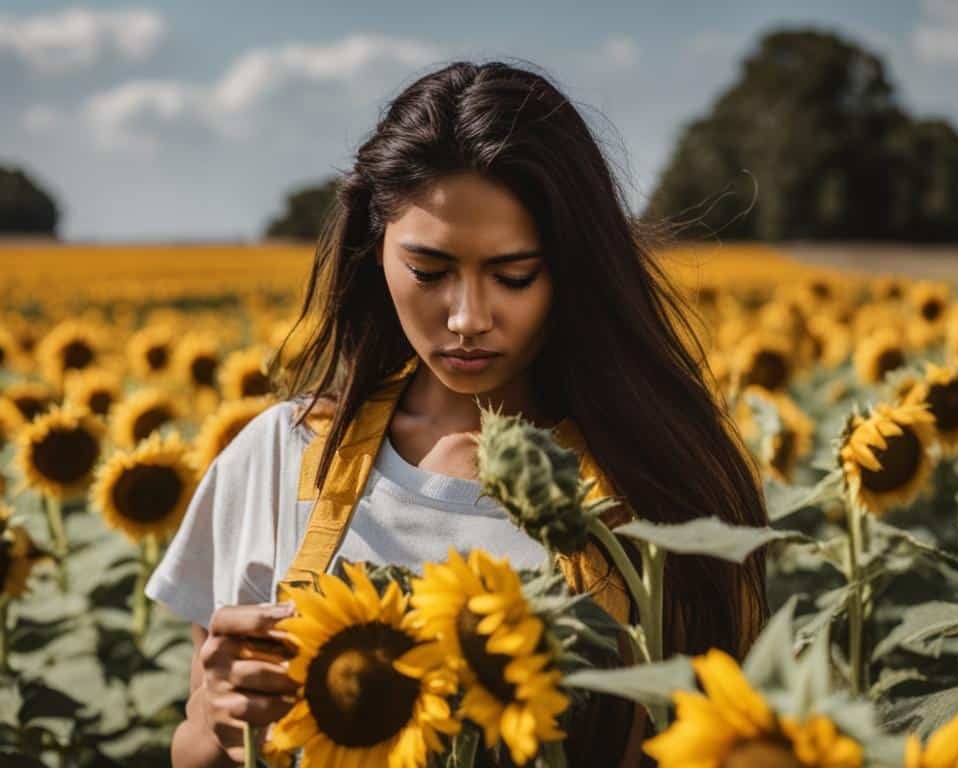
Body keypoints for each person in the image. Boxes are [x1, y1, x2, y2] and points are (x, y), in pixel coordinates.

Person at [145, 59, 769, 768]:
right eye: (430, 272)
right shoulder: (278, 457)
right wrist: (216, 722)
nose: (468, 318)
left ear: (574, 268)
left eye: (514, 275)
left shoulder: (650, 492)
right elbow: (195, 752)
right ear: (374, 250)